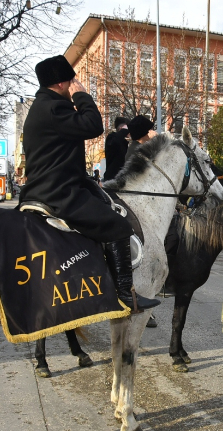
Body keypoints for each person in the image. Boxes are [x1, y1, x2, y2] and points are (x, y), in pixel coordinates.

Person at [19, 55, 159, 313]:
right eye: (73, 80)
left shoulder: (42, 107)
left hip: (54, 185)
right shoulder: (53, 108)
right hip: (58, 192)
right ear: (62, 83)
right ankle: (126, 296)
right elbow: (94, 125)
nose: (78, 83)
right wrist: (81, 96)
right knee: (117, 224)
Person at [103, 116, 129, 181]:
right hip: (111, 178)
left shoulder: (124, 142)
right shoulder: (111, 137)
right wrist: (124, 130)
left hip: (120, 178)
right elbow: (114, 143)